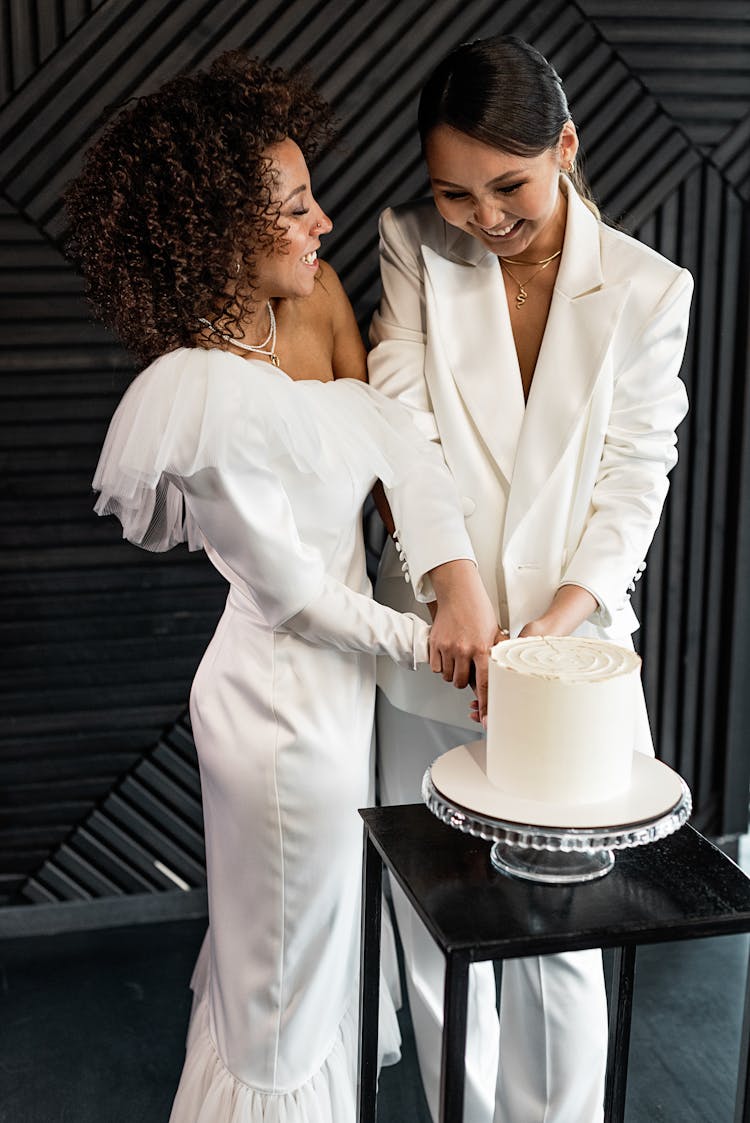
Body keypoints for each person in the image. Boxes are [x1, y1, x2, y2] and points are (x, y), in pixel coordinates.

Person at [65, 51, 499, 1122]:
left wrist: (458, 588)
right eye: (297, 207)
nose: (325, 224)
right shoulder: (197, 390)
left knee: (314, 944)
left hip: (341, 696)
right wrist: (431, 641)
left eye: (312, 197)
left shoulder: (316, 305)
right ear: (221, 231)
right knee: (283, 980)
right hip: (277, 711)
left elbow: (400, 448)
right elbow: (297, 598)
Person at [369, 33, 692, 1123]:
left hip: (572, 655)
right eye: (454, 192)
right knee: (435, 913)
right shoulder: (411, 244)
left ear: (565, 146)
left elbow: (635, 475)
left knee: (563, 925)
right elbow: (401, 423)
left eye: (508, 185)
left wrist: (552, 634)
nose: (485, 216)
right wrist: (451, 581)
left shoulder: (650, 290)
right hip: (437, 643)